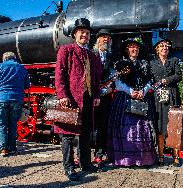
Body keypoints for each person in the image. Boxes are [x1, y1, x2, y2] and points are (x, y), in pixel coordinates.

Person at [54, 18, 103, 181]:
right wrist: (62, 95)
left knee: (86, 132)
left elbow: (96, 78)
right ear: (75, 34)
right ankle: (69, 167)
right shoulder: (66, 50)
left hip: (88, 98)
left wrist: (96, 95)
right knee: (67, 134)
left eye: (88, 33)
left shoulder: (92, 55)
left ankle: (85, 163)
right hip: (71, 99)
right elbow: (60, 74)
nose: (85, 35)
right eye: (82, 32)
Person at [107, 37, 156, 167]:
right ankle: (125, 158)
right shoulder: (120, 64)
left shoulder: (145, 64)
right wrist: (130, 91)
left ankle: (141, 159)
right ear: (127, 50)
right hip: (125, 98)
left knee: (142, 128)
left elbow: (149, 81)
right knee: (125, 128)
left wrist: (143, 91)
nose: (134, 49)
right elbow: (117, 82)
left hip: (141, 98)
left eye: (137, 47)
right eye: (132, 47)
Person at [0, 52, 30, 157]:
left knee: (2, 125)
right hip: (17, 99)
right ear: (14, 58)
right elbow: (27, 85)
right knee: (13, 124)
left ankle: (3, 149)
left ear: (4, 59)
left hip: (1, 98)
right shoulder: (22, 68)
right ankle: (12, 148)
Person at [150, 38, 182, 166]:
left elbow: (179, 75)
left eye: (166, 46)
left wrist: (166, 80)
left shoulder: (174, 61)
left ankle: (175, 156)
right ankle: (161, 155)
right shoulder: (152, 63)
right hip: (158, 98)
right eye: (161, 46)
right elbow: (150, 79)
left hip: (172, 96)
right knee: (160, 126)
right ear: (157, 49)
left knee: (174, 126)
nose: (164, 48)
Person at [92, 29, 115, 163]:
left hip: (105, 96)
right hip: (91, 95)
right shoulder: (91, 54)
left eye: (108, 38)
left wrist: (108, 88)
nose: (105, 39)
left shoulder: (112, 57)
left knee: (102, 124)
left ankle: (99, 153)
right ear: (97, 40)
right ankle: (80, 154)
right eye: (102, 37)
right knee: (87, 124)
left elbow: (114, 75)